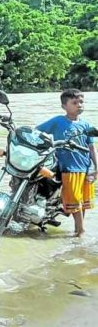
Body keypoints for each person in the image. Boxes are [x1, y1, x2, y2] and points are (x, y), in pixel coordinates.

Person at [36, 89, 97, 237]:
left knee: (83, 201)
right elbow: (38, 131)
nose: (79, 105)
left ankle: (78, 229)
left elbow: (91, 147)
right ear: (64, 106)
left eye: (81, 102)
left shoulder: (86, 126)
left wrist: (96, 167)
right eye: (75, 103)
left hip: (85, 167)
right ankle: (81, 232)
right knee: (75, 200)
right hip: (68, 167)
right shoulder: (58, 121)